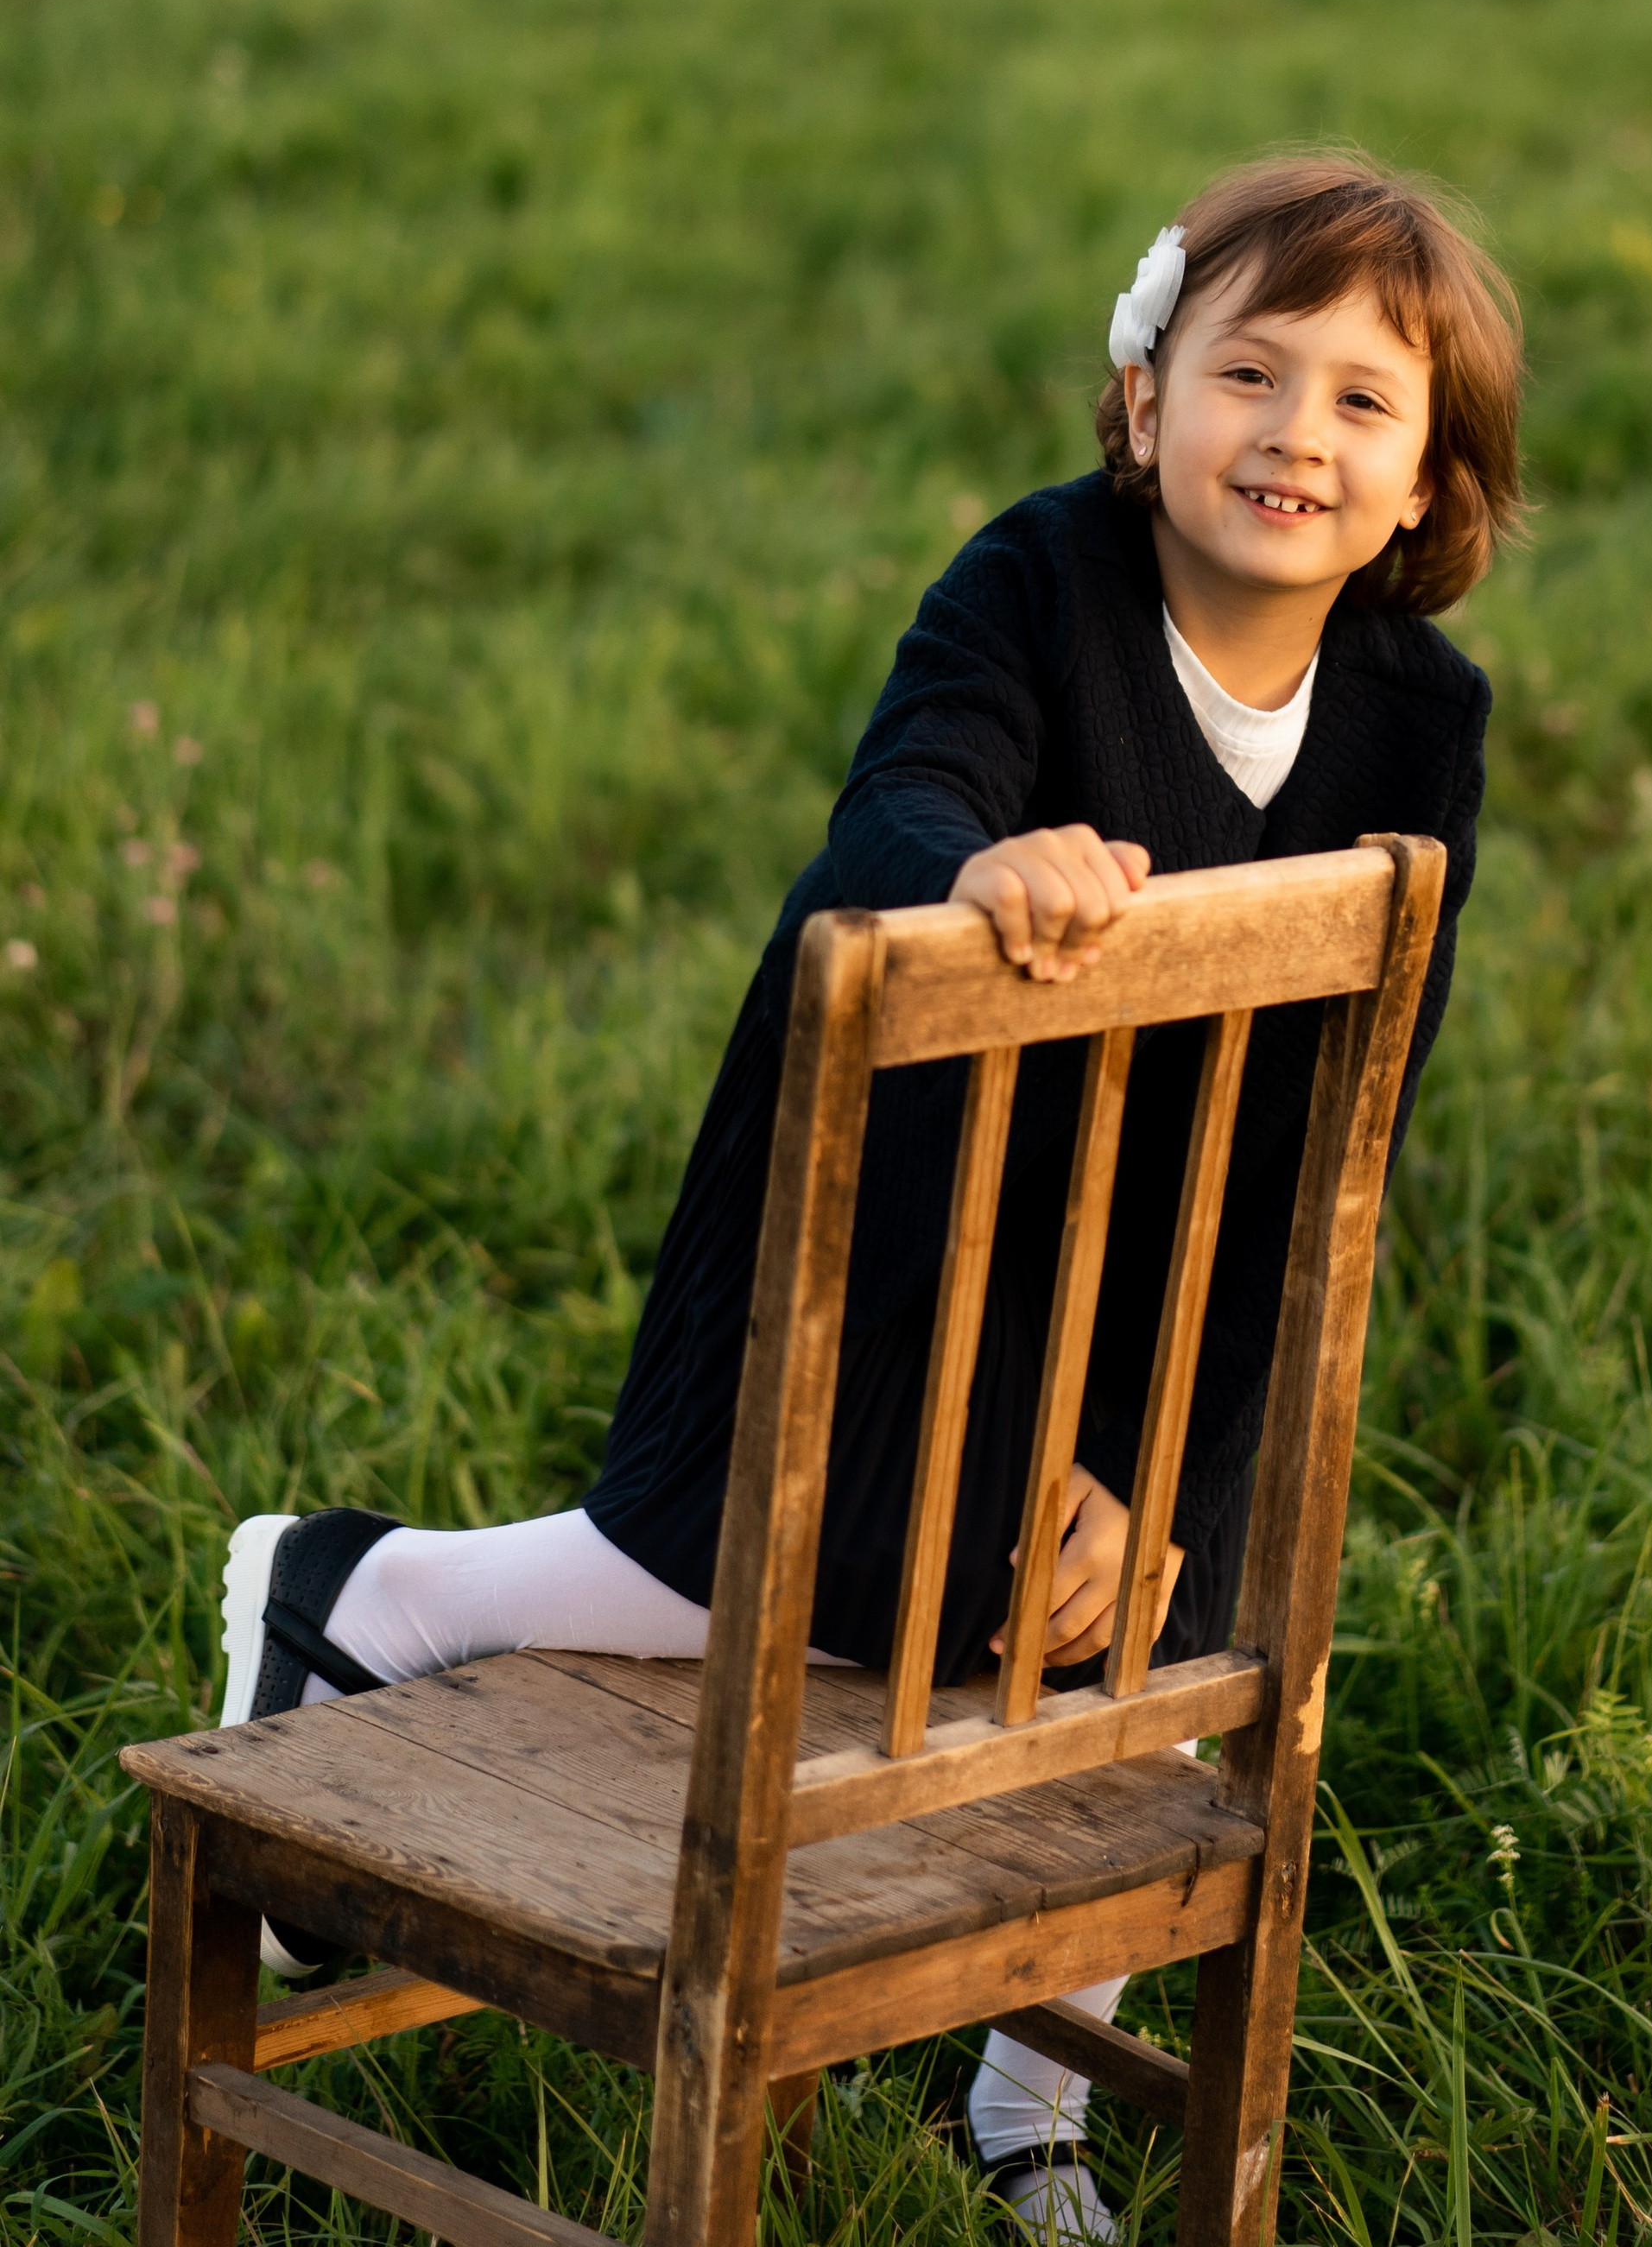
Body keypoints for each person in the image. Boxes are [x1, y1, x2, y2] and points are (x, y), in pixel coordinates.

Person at [216, 152, 1523, 2240]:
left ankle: (1029, 2110)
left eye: (1362, 401)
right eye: (1244, 372)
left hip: (1161, 1272)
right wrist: (972, 864)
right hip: (889, 1226)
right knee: (742, 1594)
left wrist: (1149, 1469)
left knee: (1136, 1648)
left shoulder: (1413, 718)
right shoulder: (1037, 586)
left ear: (1428, 478)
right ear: (1139, 394)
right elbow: (896, 804)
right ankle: (367, 1595)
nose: (1292, 434)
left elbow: (1337, 1135)